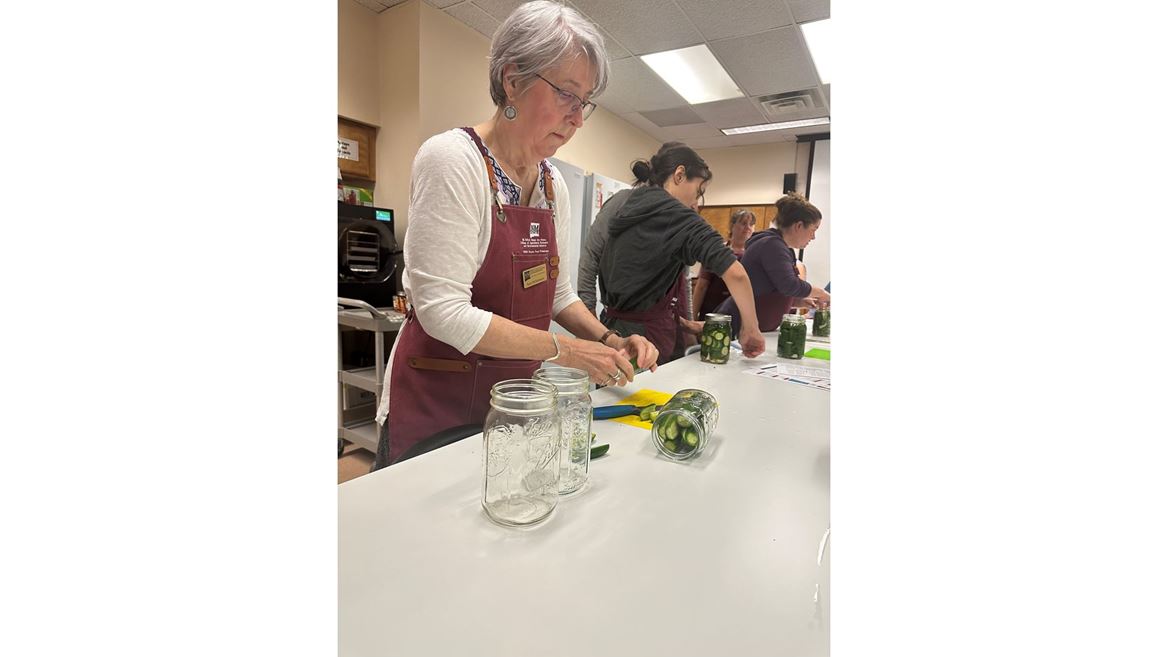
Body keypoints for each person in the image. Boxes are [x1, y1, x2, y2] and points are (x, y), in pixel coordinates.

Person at [372, 1, 658, 470]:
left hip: (512, 404)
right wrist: (564, 349)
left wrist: (608, 338)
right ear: (513, 80)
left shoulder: (551, 185)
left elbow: (560, 294)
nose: (578, 118)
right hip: (436, 399)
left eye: (584, 101)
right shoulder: (453, 160)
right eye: (567, 94)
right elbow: (443, 311)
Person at [596, 143, 767, 364]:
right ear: (679, 175)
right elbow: (736, 274)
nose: (697, 199)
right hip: (646, 343)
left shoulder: (628, 207)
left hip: (612, 333)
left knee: (612, 396)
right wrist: (750, 329)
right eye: (699, 189)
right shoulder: (679, 217)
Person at [714, 192, 830, 336]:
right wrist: (822, 293)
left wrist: (797, 302)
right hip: (738, 329)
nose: (813, 237)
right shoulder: (772, 245)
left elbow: (770, 289)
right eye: (813, 230)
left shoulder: (780, 246)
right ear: (799, 226)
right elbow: (790, 285)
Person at [691, 208, 756, 321]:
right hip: (711, 312)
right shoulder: (717, 251)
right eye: (743, 223)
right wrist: (692, 318)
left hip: (738, 316)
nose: (748, 227)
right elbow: (702, 285)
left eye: (751, 224)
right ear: (732, 226)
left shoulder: (755, 255)